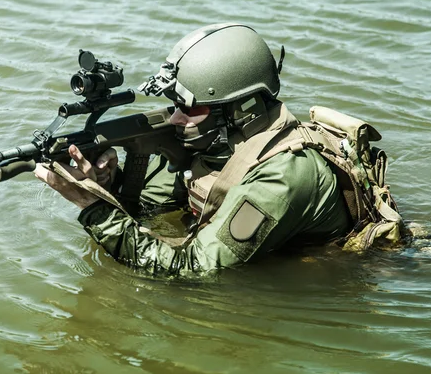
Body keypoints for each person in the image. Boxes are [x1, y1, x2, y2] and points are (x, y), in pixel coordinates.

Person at [34, 23, 390, 275]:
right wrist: (106, 183)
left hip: (350, 271)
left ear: (238, 109)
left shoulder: (284, 178)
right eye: (174, 105)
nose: (174, 119)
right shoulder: (214, 144)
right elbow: (147, 209)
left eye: (188, 109)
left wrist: (91, 207)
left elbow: (190, 272)